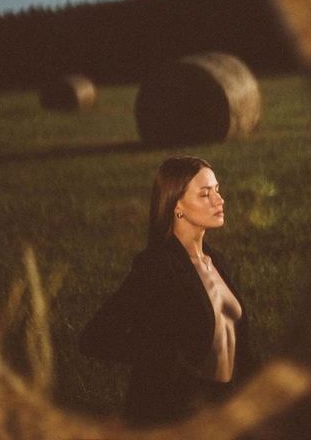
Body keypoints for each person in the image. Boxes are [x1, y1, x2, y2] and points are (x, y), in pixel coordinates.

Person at [79, 156, 253, 427]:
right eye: (205, 194)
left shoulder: (217, 262)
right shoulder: (157, 267)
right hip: (177, 417)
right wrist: (161, 358)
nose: (219, 200)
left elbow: (241, 346)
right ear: (177, 207)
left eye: (217, 190)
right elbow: (95, 337)